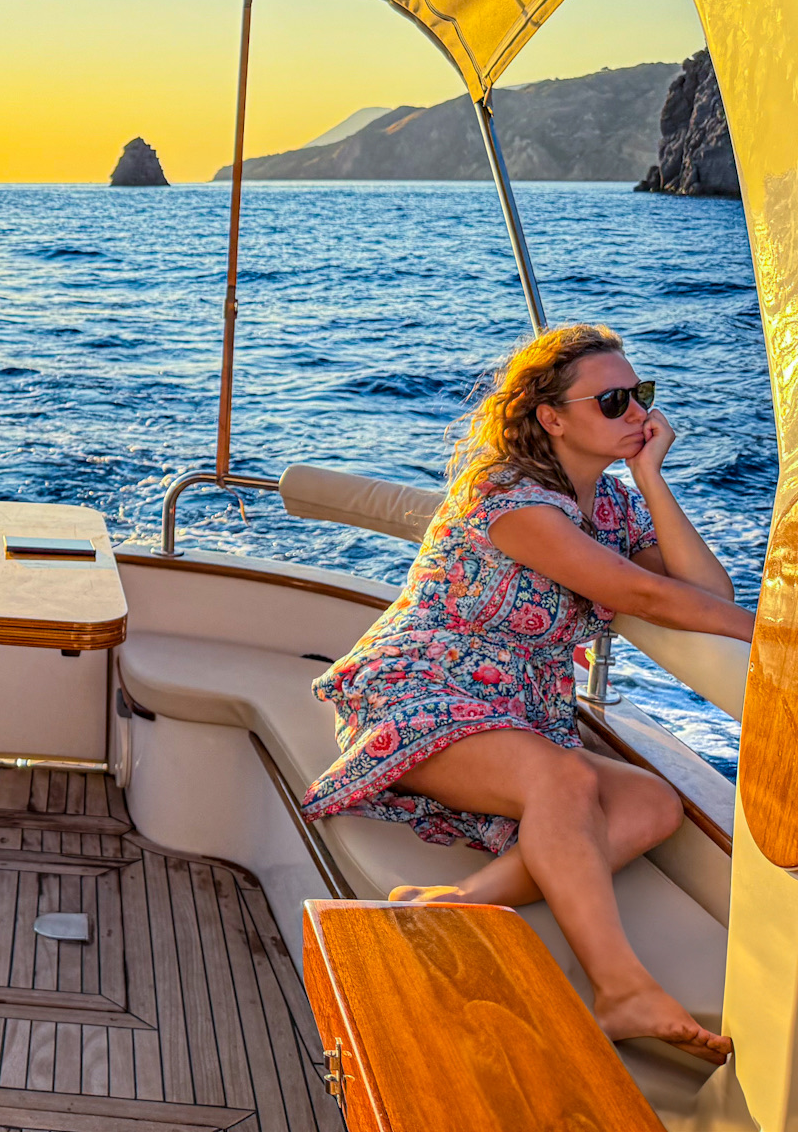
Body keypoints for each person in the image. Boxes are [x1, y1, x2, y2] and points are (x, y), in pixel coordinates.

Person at [300, 324, 750, 1064]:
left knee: (652, 804)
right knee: (563, 777)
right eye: (613, 401)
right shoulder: (508, 496)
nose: (639, 412)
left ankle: (452, 905)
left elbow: (708, 594)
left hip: (520, 711)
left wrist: (651, 478)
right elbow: (642, 594)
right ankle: (622, 988)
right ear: (552, 417)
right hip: (423, 689)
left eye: (641, 394)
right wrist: (779, 636)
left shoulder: (615, 508)